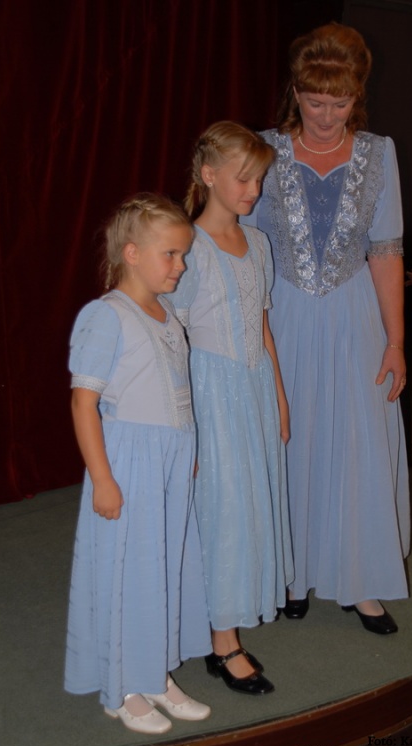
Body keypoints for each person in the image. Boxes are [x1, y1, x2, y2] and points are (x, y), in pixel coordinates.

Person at [244, 23, 410, 634]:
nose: (326, 115)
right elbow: (243, 247)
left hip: (354, 316)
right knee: (289, 438)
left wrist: (396, 343)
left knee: (358, 443)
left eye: (339, 103)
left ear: (356, 96)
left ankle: (360, 581)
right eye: (315, 101)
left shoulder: (380, 153)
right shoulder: (262, 151)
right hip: (279, 315)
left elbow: (385, 250)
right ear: (296, 91)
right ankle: (290, 574)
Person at [64, 193, 212, 734]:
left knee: (162, 568)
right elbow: (83, 404)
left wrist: (186, 452)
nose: (181, 266)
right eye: (170, 254)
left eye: (183, 255)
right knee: (127, 571)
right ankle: (122, 688)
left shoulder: (166, 313)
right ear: (131, 253)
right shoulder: (106, 316)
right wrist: (103, 479)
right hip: (128, 463)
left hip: (169, 463)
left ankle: (153, 673)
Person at [167, 121, 294, 694]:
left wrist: (279, 396)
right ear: (208, 174)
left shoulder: (259, 244)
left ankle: (228, 619)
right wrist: (183, 418)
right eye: (243, 179)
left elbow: (262, 325)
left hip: (255, 389)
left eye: (259, 179)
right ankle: (223, 643)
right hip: (210, 395)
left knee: (249, 503)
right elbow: (172, 338)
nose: (254, 190)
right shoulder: (188, 248)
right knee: (221, 508)